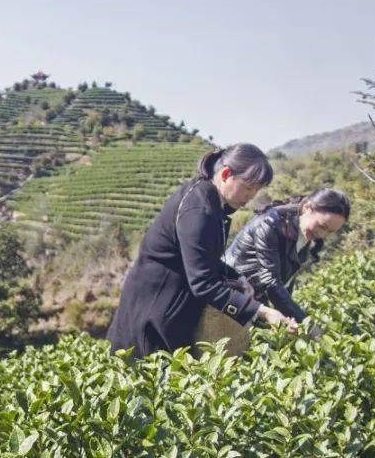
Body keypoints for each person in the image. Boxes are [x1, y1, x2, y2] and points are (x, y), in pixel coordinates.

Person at [107, 144, 298, 357]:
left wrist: (239, 278)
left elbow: (205, 258)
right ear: (226, 174)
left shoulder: (207, 198)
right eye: (248, 187)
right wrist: (263, 312)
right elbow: (203, 283)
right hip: (154, 310)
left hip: (169, 304)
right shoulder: (199, 210)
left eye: (256, 190)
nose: (251, 196)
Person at [224, 188, 350, 324]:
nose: (322, 234)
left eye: (330, 232)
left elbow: (285, 282)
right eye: (322, 226)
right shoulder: (270, 223)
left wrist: (290, 319)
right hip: (230, 296)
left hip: (254, 301)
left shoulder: (304, 231)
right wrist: (304, 321)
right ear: (308, 208)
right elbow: (270, 282)